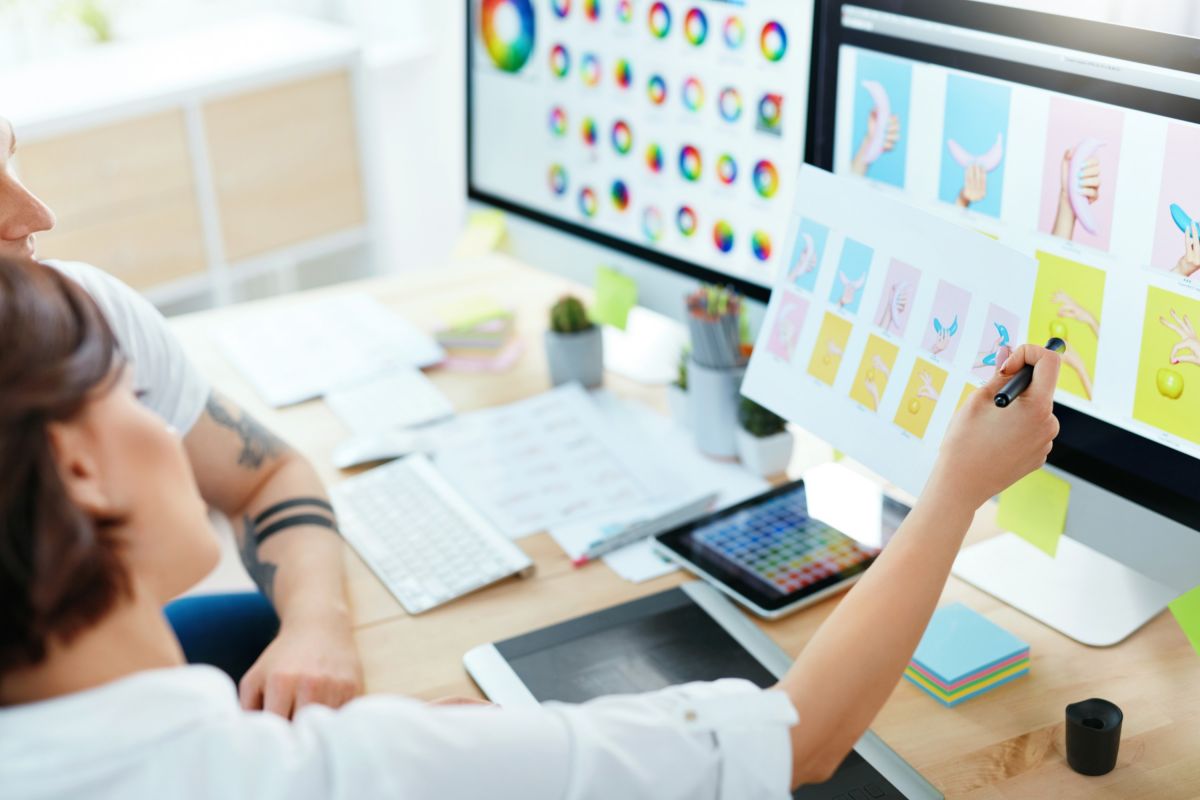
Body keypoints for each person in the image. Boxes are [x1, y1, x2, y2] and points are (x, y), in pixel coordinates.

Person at [0, 256, 1062, 797]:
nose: (168, 419)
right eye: (130, 395)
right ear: (79, 467)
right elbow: (805, 735)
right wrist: (954, 493)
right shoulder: (342, 772)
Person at [0, 117, 362, 716]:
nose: (38, 216)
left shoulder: (79, 314)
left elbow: (265, 475)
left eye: (9, 162)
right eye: (119, 391)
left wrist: (317, 622)